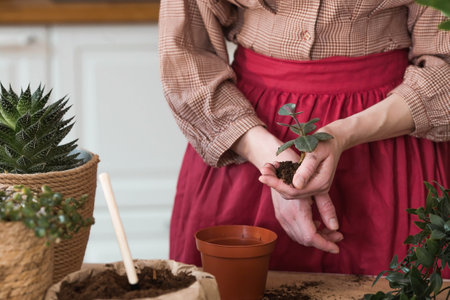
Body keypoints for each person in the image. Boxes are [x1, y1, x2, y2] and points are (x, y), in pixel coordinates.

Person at [158, 0, 449, 275]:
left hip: (389, 137)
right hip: (246, 142)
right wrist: (276, 163)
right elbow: (186, 57)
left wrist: (344, 133)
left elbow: (444, 68)